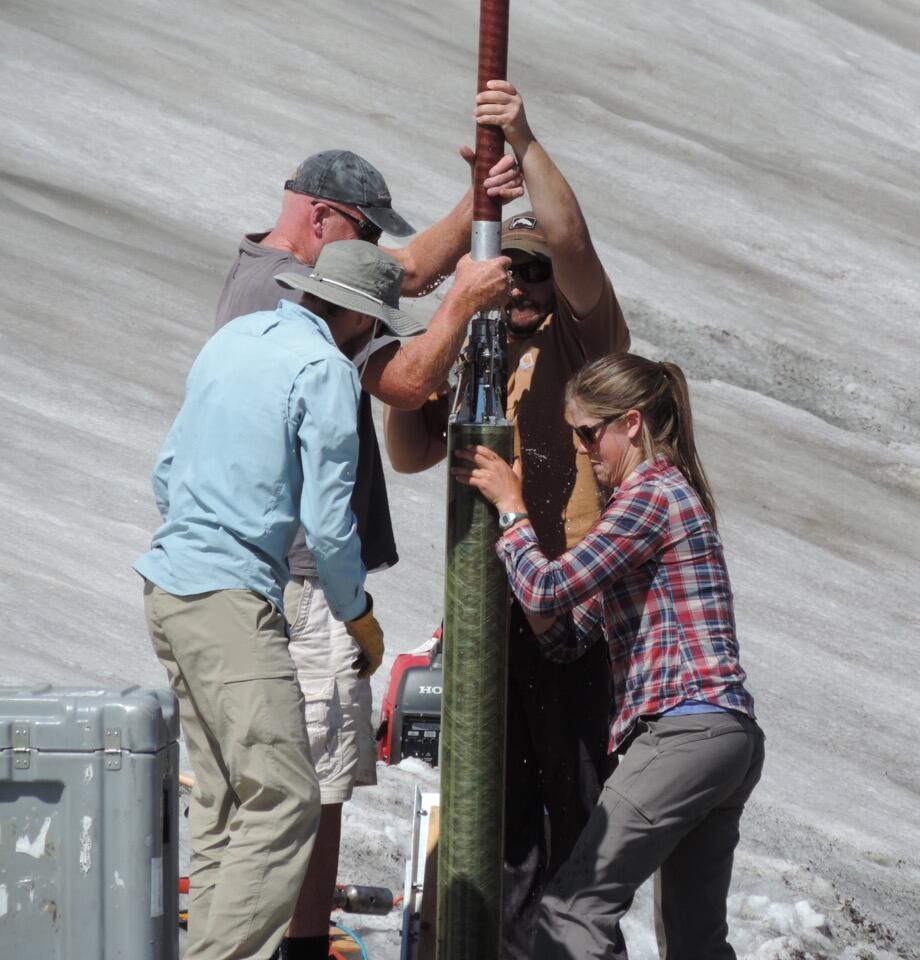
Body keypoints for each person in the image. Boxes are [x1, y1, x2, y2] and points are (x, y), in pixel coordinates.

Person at [215, 148, 515, 960]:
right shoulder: (302, 306)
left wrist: (476, 199)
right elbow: (410, 381)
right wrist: (461, 306)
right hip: (307, 581)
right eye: (365, 234)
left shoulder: (275, 271)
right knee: (319, 780)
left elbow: (406, 270)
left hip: (265, 573)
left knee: (291, 777)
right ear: (323, 220)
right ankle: (298, 949)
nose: (380, 255)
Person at [384, 81, 630, 957]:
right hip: (490, 619)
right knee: (496, 815)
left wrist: (522, 142)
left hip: (567, 616)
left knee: (578, 816)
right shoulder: (483, 347)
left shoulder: (583, 343)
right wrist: (452, 319)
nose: (522, 283)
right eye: (508, 268)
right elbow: (410, 448)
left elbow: (572, 239)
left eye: (531, 272)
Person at [135, 241, 408, 960]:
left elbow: (167, 473)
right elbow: (327, 521)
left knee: (228, 801)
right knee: (288, 798)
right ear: (359, 321)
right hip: (230, 597)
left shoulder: (233, 341)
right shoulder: (325, 370)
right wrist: (355, 612)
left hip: (168, 587)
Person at [453, 352, 765, 960]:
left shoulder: (650, 492)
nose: (583, 448)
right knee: (696, 942)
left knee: (573, 910)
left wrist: (512, 510)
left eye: (588, 433)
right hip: (725, 737)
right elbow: (569, 637)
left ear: (631, 422)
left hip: (680, 733)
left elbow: (546, 587)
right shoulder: (665, 498)